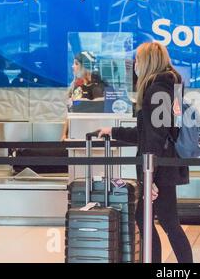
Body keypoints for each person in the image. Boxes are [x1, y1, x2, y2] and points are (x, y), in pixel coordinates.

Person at [97, 42, 193, 263]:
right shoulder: (172, 87)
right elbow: (153, 131)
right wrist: (114, 131)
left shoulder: (155, 90)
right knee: (157, 221)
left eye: (138, 60)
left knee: (165, 222)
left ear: (148, 61)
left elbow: (155, 136)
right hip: (166, 163)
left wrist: (151, 177)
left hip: (158, 168)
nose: (135, 65)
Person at [61, 51, 107, 140]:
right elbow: (70, 112)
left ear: (85, 67)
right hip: (76, 135)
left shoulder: (100, 87)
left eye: (76, 63)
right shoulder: (75, 86)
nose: (72, 66)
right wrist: (64, 134)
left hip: (97, 136)